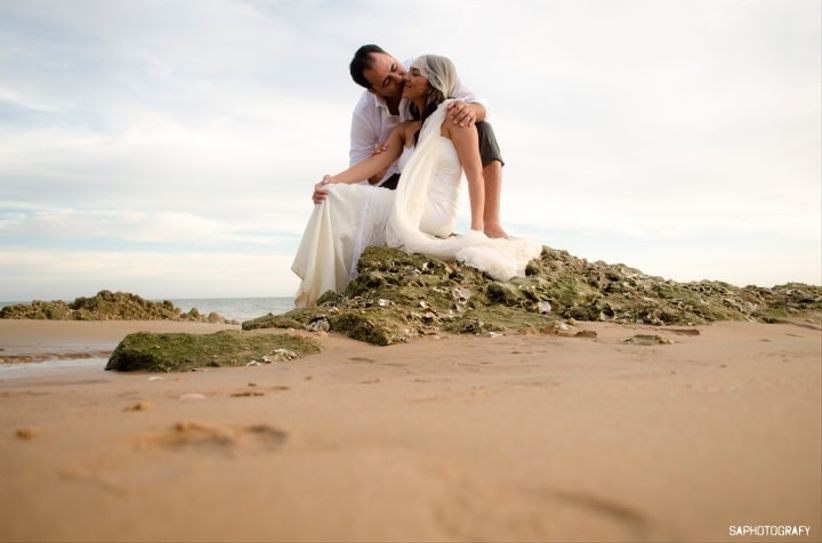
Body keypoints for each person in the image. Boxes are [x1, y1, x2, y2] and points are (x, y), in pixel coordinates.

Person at [291, 54, 540, 307]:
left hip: (436, 211)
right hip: (408, 200)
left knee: (346, 201)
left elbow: (475, 174)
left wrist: (476, 230)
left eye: (413, 74)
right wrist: (330, 182)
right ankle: (328, 288)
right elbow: (372, 164)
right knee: (335, 197)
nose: (405, 79)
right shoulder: (403, 128)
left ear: (433, 81)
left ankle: (324, 288)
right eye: (405, 74)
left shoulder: (455, 117)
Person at [347, 44, 509, 239]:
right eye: (388, 81)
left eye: (394, 67)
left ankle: (491, 224)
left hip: (438, 174)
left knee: (482, 128)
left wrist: (469, 111)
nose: (401, 78)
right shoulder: (366, 114)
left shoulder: (423, 68)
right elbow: (362, 169)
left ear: (393, 56)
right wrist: (331, 183)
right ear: (374, 91)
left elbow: (479, 104)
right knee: (358, 204)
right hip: (398, 177)